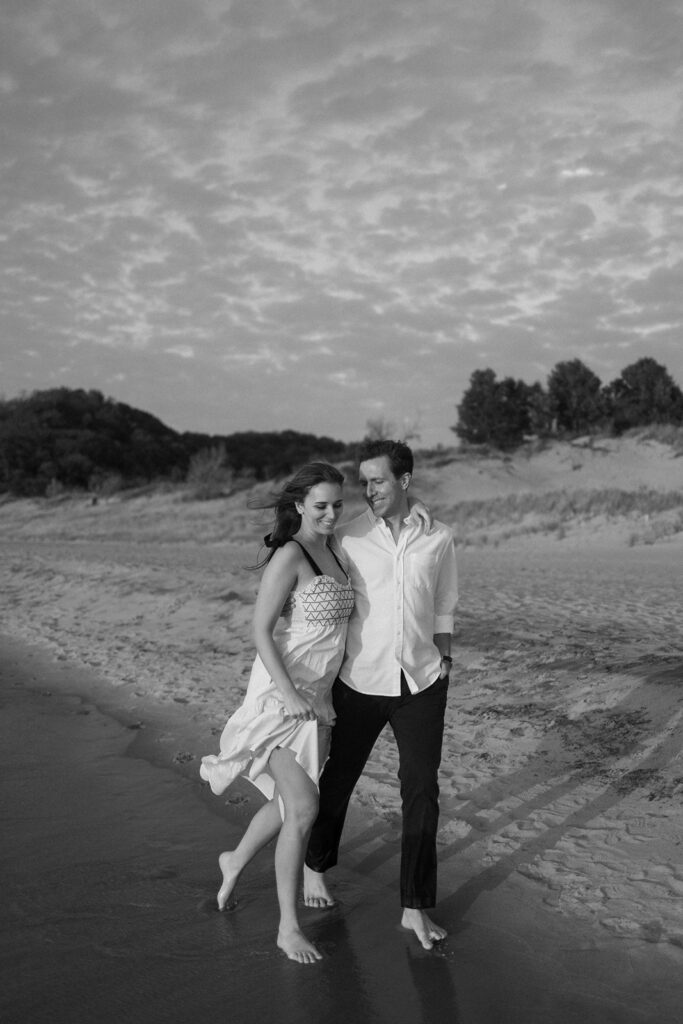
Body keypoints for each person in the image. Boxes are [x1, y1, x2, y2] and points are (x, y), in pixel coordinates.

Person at [303, 439, 458, 950]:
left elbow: (443, 605)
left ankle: (415, 908)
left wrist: (444, 662)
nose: (367, 490)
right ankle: (314, 867)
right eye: (363, 481)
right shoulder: (347, 538)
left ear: (405, 481)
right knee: (338, 780)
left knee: (421, 793)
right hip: (360, 681)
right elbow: (311, 587)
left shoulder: (439, 538)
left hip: (421, 684)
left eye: (377, 481)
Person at [199, 462, 354, 964]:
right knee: (305, 809)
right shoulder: (289, 555)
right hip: (280, 698)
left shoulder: (333, 550)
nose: (331, 514)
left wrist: (325, 693)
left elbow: (331, 639)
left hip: (317, 699)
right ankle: (288, 928)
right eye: (321, 506)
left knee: (291, 805)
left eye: (337, 505)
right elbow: (261, 631)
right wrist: (288, 693)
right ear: (298, 507)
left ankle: (234, 859)